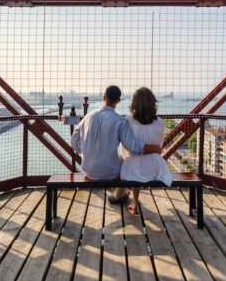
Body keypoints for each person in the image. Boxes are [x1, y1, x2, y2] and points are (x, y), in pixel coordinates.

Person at [70, 85, 161, 205]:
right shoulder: (120, 121)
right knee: (126, 162)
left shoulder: (88, 117)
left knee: (121, 160)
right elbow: (134, 147)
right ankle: (119, 195)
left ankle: (120, 195)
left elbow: (74, 140)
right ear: (118, 100)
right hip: (110, 174)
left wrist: (87, 152)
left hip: (88, 170)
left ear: (104, 97)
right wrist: (155, 148)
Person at [119, 87, 172, 215]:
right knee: (140, 165)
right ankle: (133, 201)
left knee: (131, 163)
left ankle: (134, 202)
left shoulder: (128, 120)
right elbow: (159, 146)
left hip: (134, 165)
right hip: (156, 166)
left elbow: (126, 147)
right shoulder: (160, 123)